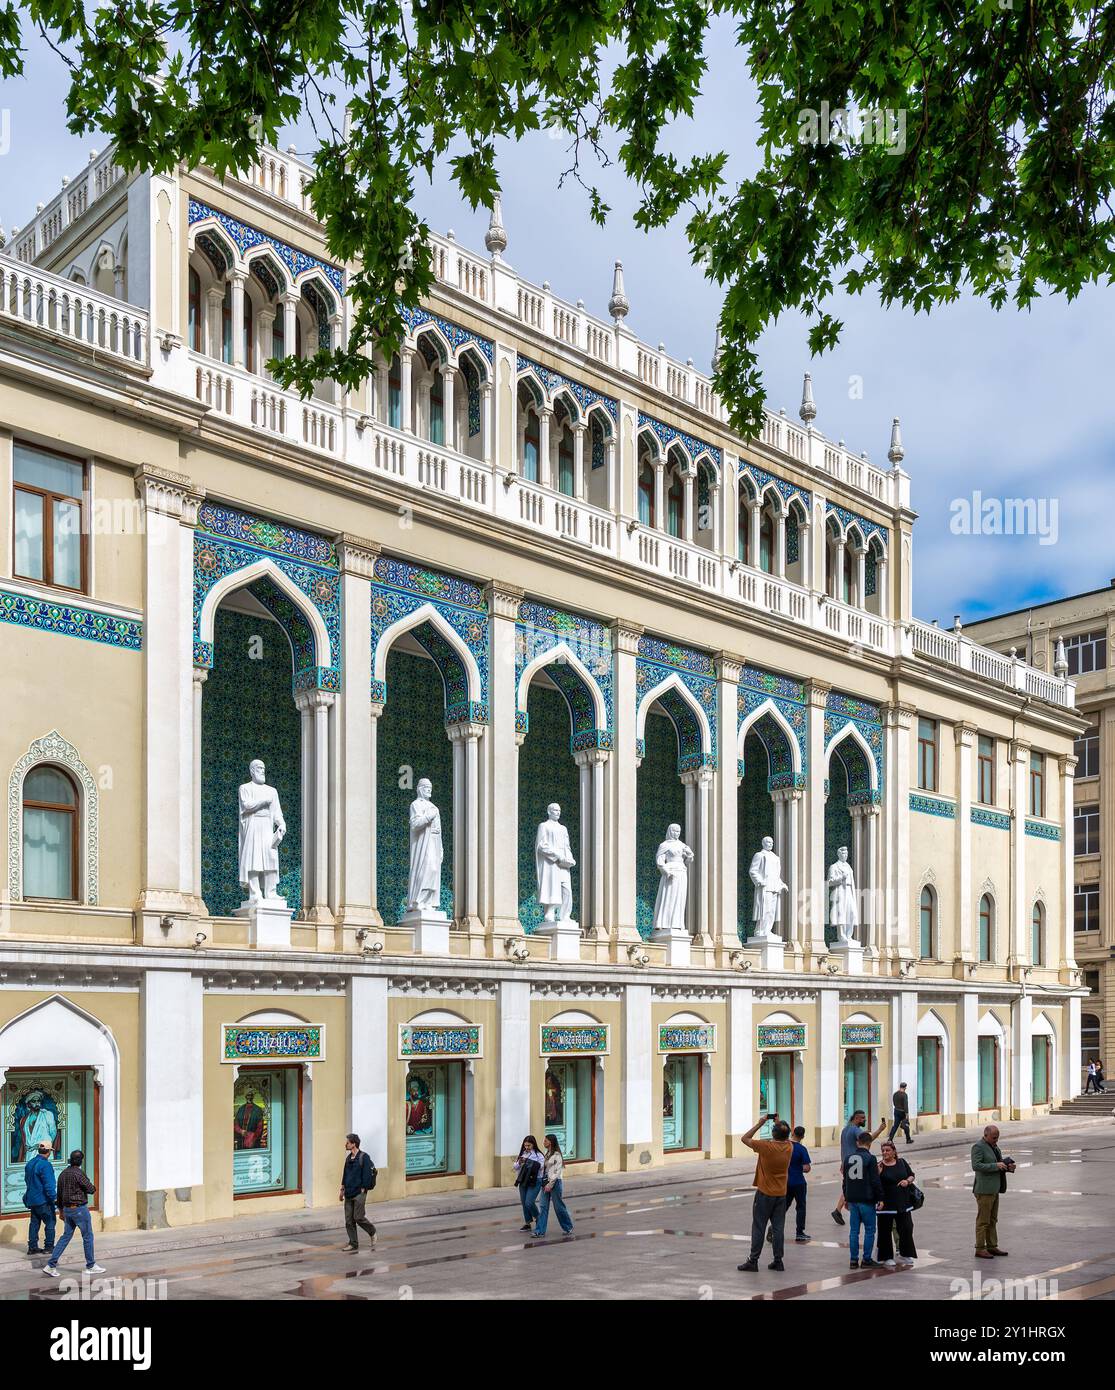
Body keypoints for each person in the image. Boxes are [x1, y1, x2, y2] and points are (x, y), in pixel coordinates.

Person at [737, 1114, 793, 1273]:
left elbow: (744, 1138)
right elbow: (785, 1135)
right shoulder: (789, 1147)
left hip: (764, 1194)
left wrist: (760, 1123)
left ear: (773, 1133)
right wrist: (778, 1123)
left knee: (759, 1227)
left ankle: (753, 1260)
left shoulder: (766, 1146)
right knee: (778, 1228)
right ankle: (778, 1260)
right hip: (781, 1194)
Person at [43, 1150, 104, 1278]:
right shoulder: (78, 1173)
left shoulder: (63, 1174)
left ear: (71, 1160)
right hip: (79, 1209)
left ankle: (51, 1265)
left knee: (66, 1236)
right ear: (80, 1161)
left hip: (67, 1210)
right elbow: (91, 1189)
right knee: (87, 1236)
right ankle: (91, 1265)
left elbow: (59, 1196)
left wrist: (61, 1211)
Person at [832, 1108, 886, 1225]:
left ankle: (839, 1210)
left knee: (849, 1185)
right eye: (862, 1118)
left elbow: (843, 1147)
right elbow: (868, 1140)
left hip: (847, 1162)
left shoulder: (845, 1130)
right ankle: (846, 1210)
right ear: (856, 1118)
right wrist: (880, 1130)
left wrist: (843, 1162)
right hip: (857, 1162)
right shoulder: (856, 1130)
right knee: (855, 1186)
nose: (864, 1119)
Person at [971, 1123, 1013, 1259]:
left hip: (995, 1188)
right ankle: (980, 1248)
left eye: (997, 1138)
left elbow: (998, 1162)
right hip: (984, 1189)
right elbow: (976, 1165)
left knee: (993, 1219)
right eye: (994, 1138)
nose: (996, 1140)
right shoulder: (978, 1147)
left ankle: (992, 1246)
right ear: (985, 1135)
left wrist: (1007, 1166)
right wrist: (995, 1165)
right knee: (983, 1220)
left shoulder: (994, 1146)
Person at [842, 1131, 883, 1269]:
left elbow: (845, 1181)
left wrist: (846, 1198)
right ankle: (866, 1259)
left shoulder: (847, 1158)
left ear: (857, 1142)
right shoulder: (870, 1159)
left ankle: (853, 1260)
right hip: (866, 1199)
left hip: (852, 1199)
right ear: (870, 1144)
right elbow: (875, 1180)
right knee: (870, 1230)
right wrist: (880, 1198)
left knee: (854, 1231)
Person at [876, 1139, 917, 1267]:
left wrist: (907, 1181)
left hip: (902, 1202)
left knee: (906, 1228)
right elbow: (876, 1184)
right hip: (886, 1204)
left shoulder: (902, 1162)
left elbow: (911, 1175)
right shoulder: (879, 1166)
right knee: (884, 1230)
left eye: (888, 1150)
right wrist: (878, 1173)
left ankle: (905, 1254)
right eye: (883, 1151)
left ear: (894, 1152)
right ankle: (886, 1256)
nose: (885, 1153)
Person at [768, 1124, 811, 1244]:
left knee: (783, 1207)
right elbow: (807, 1168)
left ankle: (773, 1227)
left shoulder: (785, 1146)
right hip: (799, 1183)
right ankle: (800, 1233)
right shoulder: (801, 1149)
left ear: (792, 1133)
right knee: (801, 1207)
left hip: (785, 1182)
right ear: (802, 1136)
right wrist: (799, 1168)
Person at [339, 1133, 378, 1252]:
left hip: (359, 1193)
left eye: (347, 1142)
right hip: (349, 1192)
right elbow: (345, 1175)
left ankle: (372, 1232)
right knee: (349, 1220)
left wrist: (363, 1188)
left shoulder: (363, 1157)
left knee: (358, 1217)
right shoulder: (348, 1158)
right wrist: (342, 1190)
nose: (346, 1144)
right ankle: (353, 1243)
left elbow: (366, 1175)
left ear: (353, 1144)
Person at [533, 1134, 574, 1237]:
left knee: (558, 1207)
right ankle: (539, 1231)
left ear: (550, 1142)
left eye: (545, 1140)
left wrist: (550, 1185)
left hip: (555, 1183)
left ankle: (568, 1226)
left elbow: (556, 1172)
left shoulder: (557, 1155)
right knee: (543, 1207)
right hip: (545, 1182)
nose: (543, 1142)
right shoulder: (547, 1154)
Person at [24, 1139, 57, 1256]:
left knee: (34, 1223)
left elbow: (27, 1180)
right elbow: (49, 1185)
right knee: (50, 1222)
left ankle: (32, 1247)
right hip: (43, 1200)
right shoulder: (45, 1165)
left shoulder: (30, 1163)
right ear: (48, 1151)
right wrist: (54, 1198)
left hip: (32, 1199)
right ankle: (48, 1246)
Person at [514, 1135, 546, 1232]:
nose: (527, 1147)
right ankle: (527, 1223)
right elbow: (515, 1167)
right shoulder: (523, 1154)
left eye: (529, 1145)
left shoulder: (539, 1155)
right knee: (524, 1203)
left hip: (535, 1180)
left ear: (533, 1144)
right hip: (523, 1180)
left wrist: (527, 1162)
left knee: (529, 1202)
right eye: (525, 1145)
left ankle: (538, 1218)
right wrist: (519, 1163)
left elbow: (541, 1167)